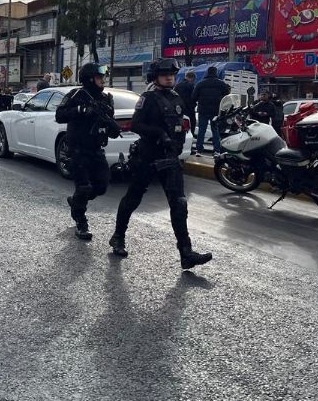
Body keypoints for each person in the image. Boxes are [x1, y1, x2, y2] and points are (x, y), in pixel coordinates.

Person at [110, 59, 212, 269]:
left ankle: (186, 253)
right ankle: (118, 237)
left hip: (170, 159)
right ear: (155, 77)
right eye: (165, 74)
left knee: (179, 204)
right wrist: (159, 134)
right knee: (133, 198)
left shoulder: (176, 97)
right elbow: (136, 124)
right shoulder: (147, 98)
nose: (169, 77)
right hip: (148, 157)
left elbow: (182, 122)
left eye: (172, 74)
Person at [55, 63, 120, 240]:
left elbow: (111, 126)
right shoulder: (77, 95)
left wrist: (113, 126)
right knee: (84, 187)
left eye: (103, 77)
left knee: (102, 186)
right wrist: (81, 110)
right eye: (99, 77)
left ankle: (76, 201)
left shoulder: (106, 99)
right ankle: (81, 221)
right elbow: (59, 115)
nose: (102, 80)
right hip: (77, 149)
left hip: (96, 149)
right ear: (90, 78)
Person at [191, 66, 230, 156]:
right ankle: (217, 150)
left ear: (207, 73)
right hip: (215, 111)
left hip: (203, 110)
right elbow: (227, 96)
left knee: (202, 130)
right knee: (215, 130)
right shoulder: (221, 84)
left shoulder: (200, 84)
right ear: (216, 73)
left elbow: (193, 97)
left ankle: (199, 150)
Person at [174, 71, 197, 154]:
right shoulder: (191, 86)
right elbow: (194, 97)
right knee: (190, 130)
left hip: (179, 112)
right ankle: (189, 147)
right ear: (192, 78)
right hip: (189, 111)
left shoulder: (177, 85)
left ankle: (178, 146)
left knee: (179, 130)